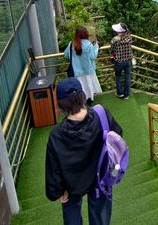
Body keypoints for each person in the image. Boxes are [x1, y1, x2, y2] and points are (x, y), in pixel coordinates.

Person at [46, 78, 123, 225]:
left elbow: (53, 166)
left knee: (71, 214)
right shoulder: (102, 115)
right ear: (82, 95)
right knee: (100, 216)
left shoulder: (56, 135)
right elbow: (117, 137)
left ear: (60, 104)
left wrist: (56, 191)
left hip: (71, 185)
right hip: (99, 178)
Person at [64, 27, 101, 104]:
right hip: (88, 70)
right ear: (86, 34)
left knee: (81, 86)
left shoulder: (71, 44)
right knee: (89, 85)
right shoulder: (89, 44)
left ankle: (81, 100)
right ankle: (90, 99)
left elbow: (66, 55)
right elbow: (93, 56)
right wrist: (96, 46)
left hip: (76, 71)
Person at [110, 23, 133, 99]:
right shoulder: (129, 37)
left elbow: (112, 50)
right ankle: (126, 94)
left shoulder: (115, 39)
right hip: (128, 60)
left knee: (118, 76)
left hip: (119, 61)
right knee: (127, 77)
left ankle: (120, 93)